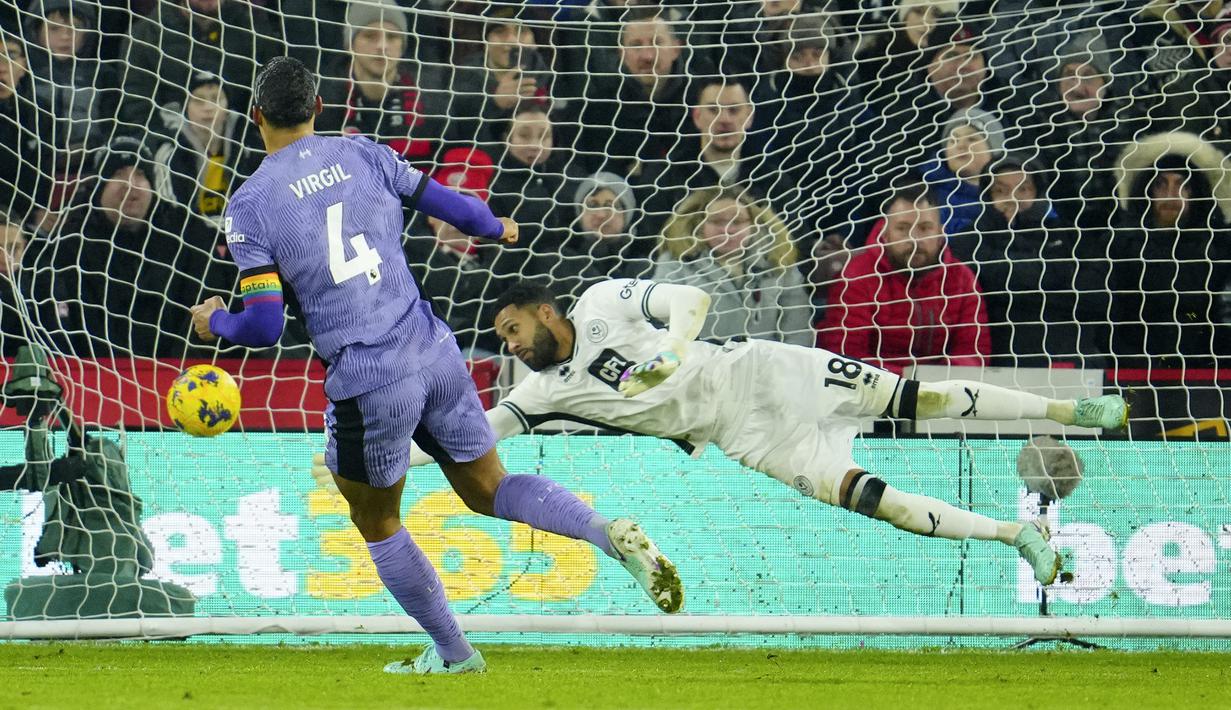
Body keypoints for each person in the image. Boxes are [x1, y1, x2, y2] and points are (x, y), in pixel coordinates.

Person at [189, 57, 681, 675]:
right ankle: (604, 531)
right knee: (489, 487)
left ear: (256, 115)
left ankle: (455, 653)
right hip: (433, 350)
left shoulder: (251, 204)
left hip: (369, 377)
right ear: (319, 108)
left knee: (375, 517)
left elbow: (264, 326)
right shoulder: (363, 152)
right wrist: (497, 226)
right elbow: (457, 208)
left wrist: (216, 321)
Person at [396, 278, 1129, 595]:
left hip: (762, 372)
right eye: (503, 340)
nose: (511, 346)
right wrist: (388, 455)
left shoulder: (600, 304)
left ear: (544, 312)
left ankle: (1069, 413)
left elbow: (690, 298)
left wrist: (671, 352)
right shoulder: (540, 393)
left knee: (918, 398)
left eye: (513, 330)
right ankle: (1015, 536)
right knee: (876, 501)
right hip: (745, 437)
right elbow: (469, 439)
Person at [819, 182, 989, 373]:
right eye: (903, 228)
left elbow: (974, 352)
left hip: (942, 386)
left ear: (941, 233)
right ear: (885, 234)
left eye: (925, 228)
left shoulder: (962, 278)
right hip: (875, 386)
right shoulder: (856, 276)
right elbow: (846, 355)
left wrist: (935, 381)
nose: (914, 239)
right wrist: (909, 380)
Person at [653, 188, 812, 346]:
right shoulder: (675, 263)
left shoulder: (778, 263)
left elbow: (797, 331)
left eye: (737, 221)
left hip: (766, 359)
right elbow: (660, 321)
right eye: (717, 221)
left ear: (753, 225)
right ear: (700, 224)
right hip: (699, 357)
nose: (727, 229)